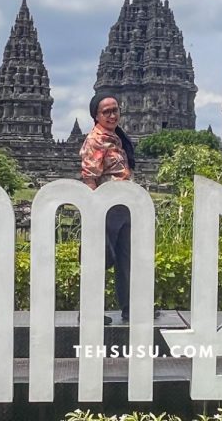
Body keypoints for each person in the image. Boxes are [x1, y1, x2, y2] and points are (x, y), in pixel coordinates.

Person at [80, 92, 136, 324]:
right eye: (107, 112)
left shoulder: (116, 137)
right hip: (106, 207)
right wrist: (94, 211)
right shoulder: (95, 140)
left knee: (126, 259)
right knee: (100, 258)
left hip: (125, 205)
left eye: (115, 110)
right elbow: (90, 178)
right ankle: (90, 311)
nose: (112, 115)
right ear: (96, 116)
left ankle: (129, 307)